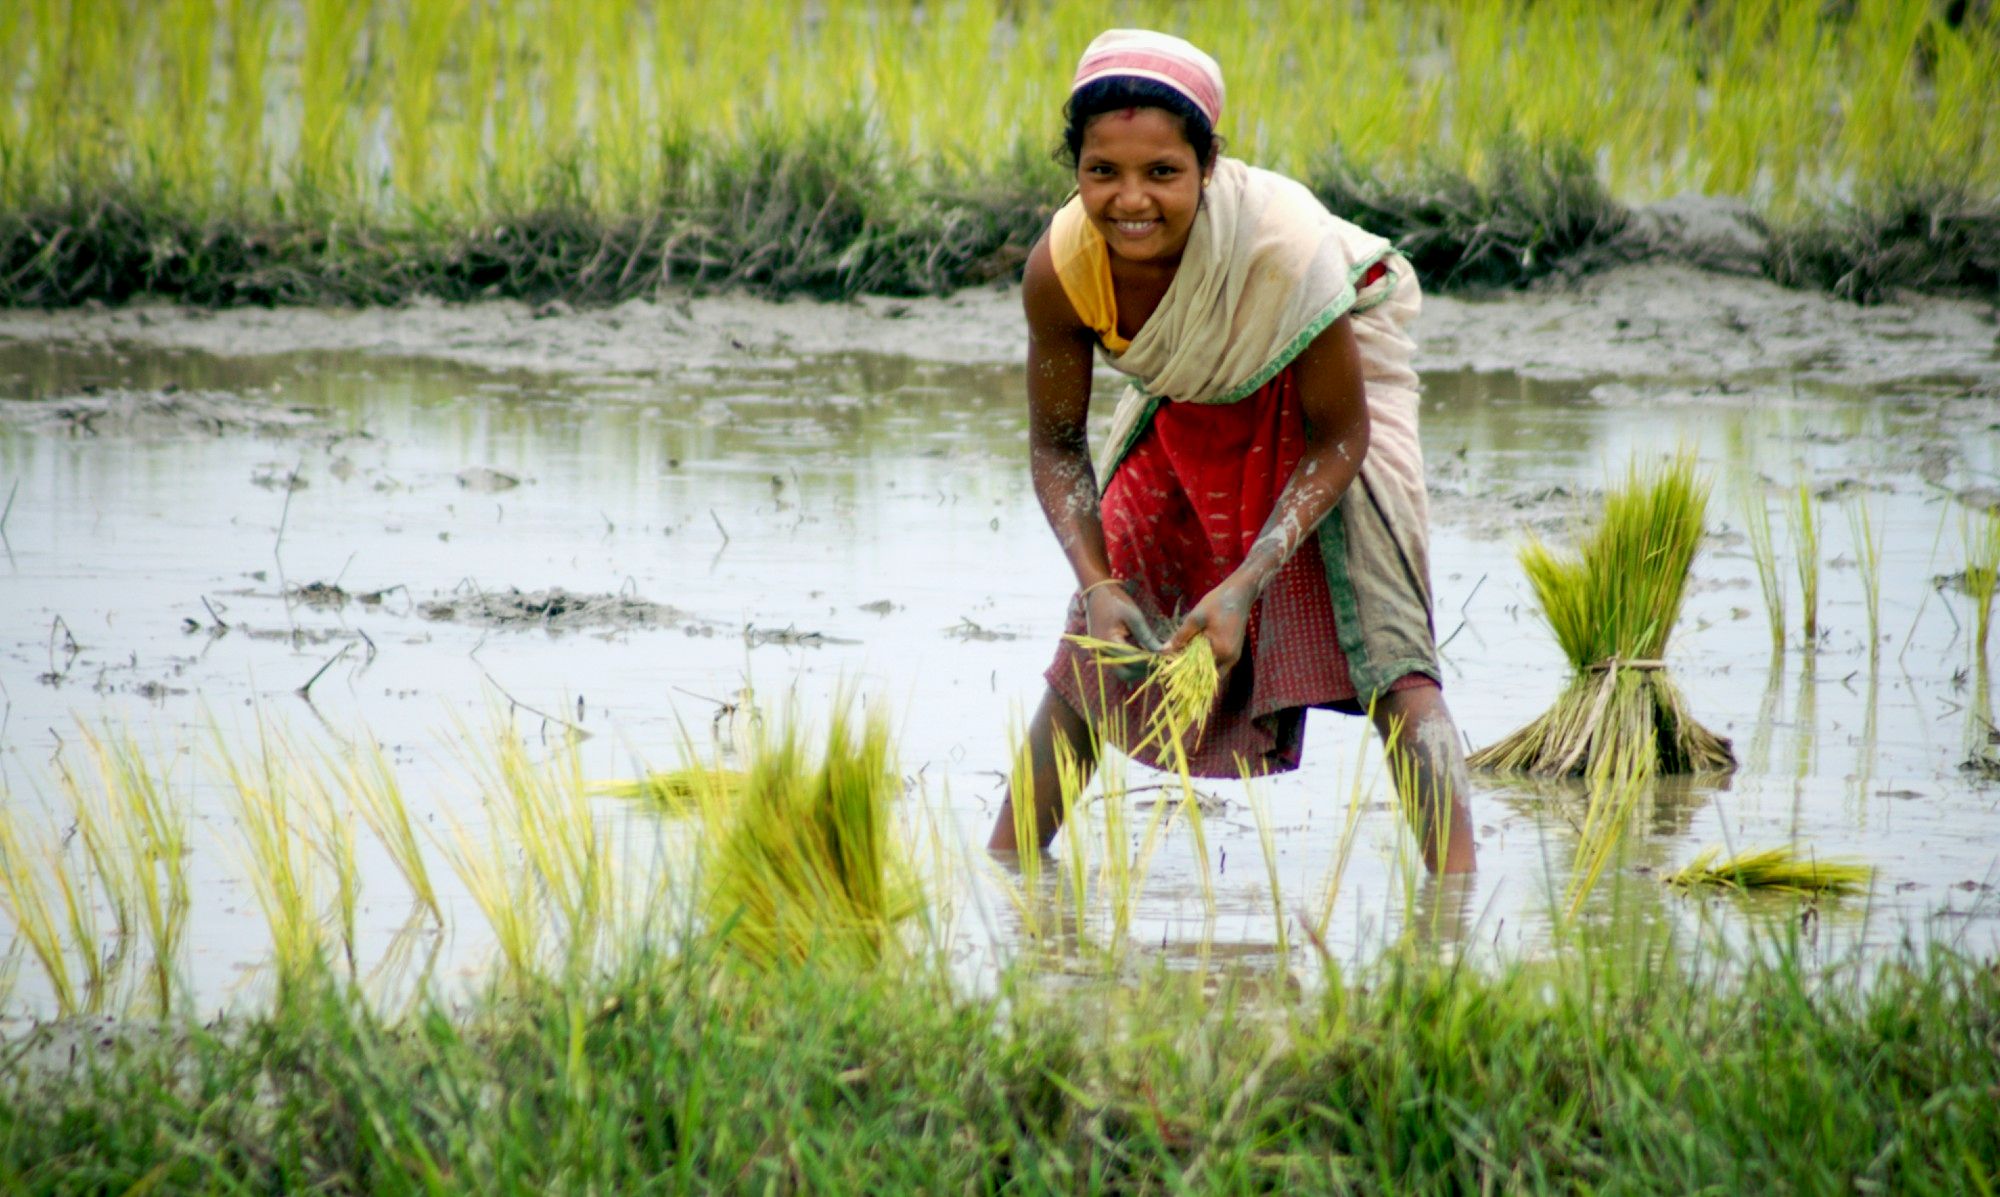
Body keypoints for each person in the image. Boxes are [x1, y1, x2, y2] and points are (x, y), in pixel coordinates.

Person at [985, 29, 1477, 874]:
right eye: (1103, 171)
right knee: (1096, 643)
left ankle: (1456, 894)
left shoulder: (1282, 249)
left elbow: (1341, 437)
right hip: (1189, 397)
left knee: (1392, 649)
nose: (1130, 199)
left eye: (1162, 173)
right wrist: (1098, 584)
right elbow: (1058, 444)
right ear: (1076, 170)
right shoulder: (1062, 268)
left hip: (1321, 384)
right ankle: (1006, 870)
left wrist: (1248, 581)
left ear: (1208, 165)